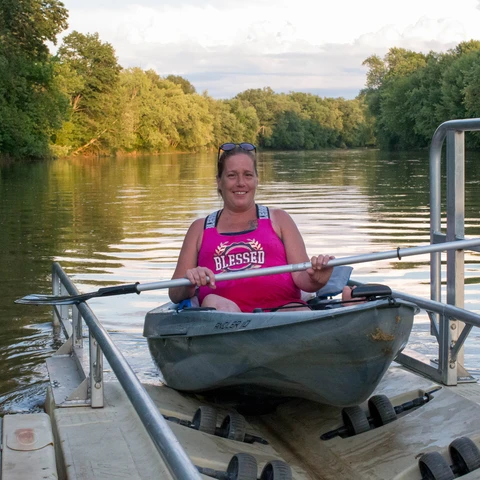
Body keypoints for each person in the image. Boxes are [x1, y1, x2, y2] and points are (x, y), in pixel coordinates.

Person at [168, 142, 343, 313]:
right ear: (219, 182)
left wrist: (318, 280)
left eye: (248, 175)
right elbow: (175, 293)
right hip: (224, 321)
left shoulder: (279, 219)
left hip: (284, 314)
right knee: (214, 302)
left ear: (257, 180)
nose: (240, 183)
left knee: (296, 308)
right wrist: (189, 281)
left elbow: (303, 279)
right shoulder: (199, 229)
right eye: (231, 175)